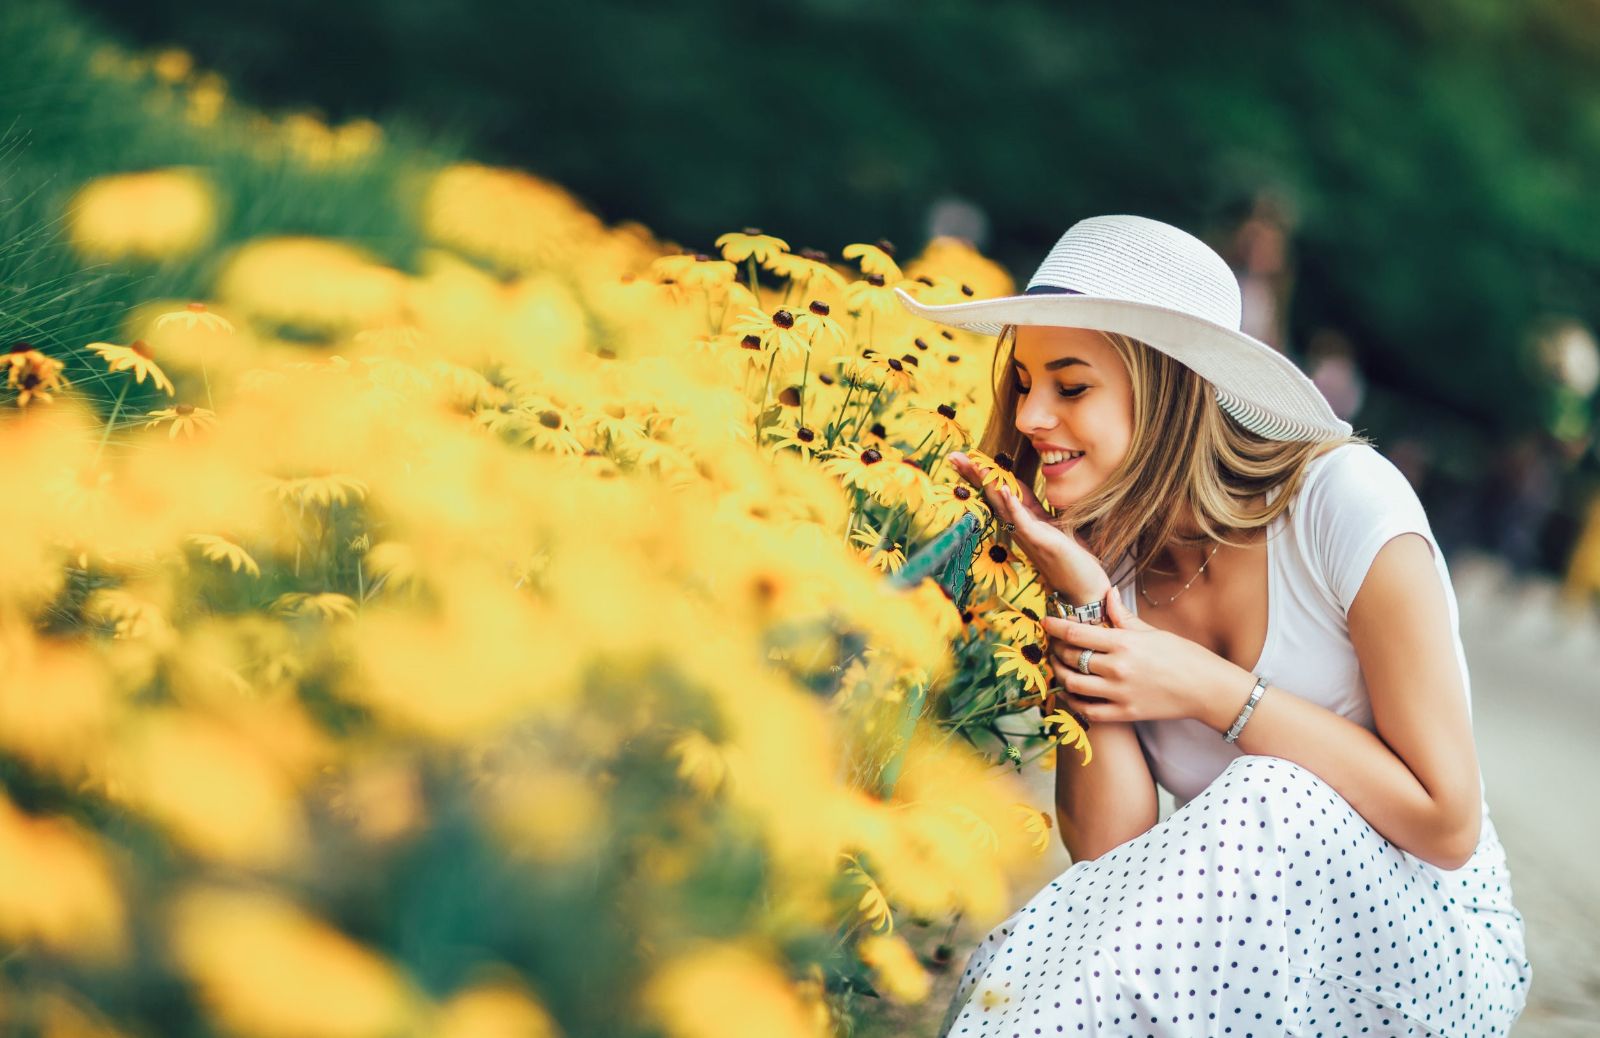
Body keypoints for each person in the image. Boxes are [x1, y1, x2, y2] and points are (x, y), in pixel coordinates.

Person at [892, 215, 1531, 1037]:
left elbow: (1448, 823)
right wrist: (1081, 602)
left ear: (1169, 388)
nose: (1028, 418)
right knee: (1111, 926)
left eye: (1070, 385)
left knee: (1269, 794)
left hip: (1426, 945)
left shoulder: (1343, 505)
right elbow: (1112, 849)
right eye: (1022, 383)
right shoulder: (1104, 550)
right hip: (1241, 952)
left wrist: (1208, 687)